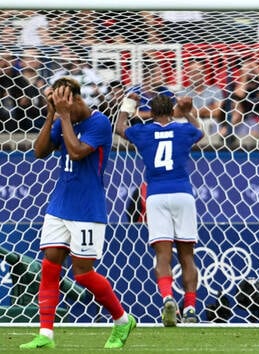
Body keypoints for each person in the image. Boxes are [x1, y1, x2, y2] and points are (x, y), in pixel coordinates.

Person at [20, 77, 135, 349]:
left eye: (63, 104)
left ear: (76, 99)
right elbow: (39, 152)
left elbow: (76, 152)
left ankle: (121, 320)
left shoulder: (99, 123)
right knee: (50, 266)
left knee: (82, 274)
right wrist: (51, 114)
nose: (61, 109)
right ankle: (45, 334)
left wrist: (64, 117)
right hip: (59, 204)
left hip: (87, 208)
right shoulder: (61, 118)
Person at [115, 93, 204, 326]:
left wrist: (128, 104)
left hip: (155, 195)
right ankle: (191, 309)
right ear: (171, 111)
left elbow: (119, 127)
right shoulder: (184, 130)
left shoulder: (143, 132)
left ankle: (167, 298)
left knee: (162, 255)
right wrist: (187, 113)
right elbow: (201, 132)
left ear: (152, 113)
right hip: (182, 193)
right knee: (187, 255)